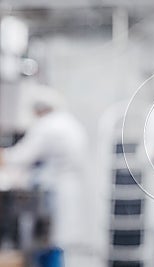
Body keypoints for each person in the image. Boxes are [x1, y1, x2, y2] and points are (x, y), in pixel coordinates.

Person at [0, 86, 89, 266]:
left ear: (39, 109)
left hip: (53, 190)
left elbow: (22, 155)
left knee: (48, 240)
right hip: (67, 187)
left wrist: (4, 155)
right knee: (57, 239)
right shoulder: (68, 122)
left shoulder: (47, 125)